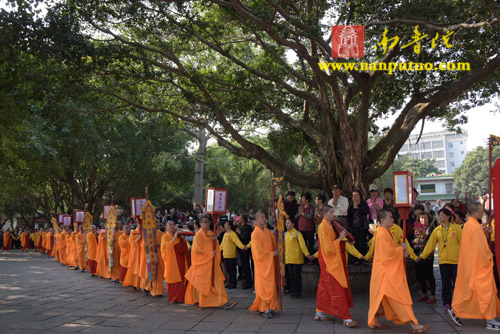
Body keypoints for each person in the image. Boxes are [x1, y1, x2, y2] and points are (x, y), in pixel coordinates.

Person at [368, 209, 430, 333]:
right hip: (386, 273)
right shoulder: (381, 234)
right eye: (390, 217)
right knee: (399, 299)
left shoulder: (384, 232)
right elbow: (388, 253)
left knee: (380, 298)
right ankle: (413, 325)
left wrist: (402, 249)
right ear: (383, 220)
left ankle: (374, 321)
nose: (393, 219)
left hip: (383, 272)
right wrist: (400, 249)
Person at [448, 202, 500, 330]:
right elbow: (480, 249)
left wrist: (483, 231)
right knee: (485, 292)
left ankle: (456, 310)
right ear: (475, 213)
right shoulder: (475, 227)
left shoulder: (469, 225)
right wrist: (489, 256)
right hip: (479, 265)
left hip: (470, 263)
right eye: (481, 211)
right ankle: (490, 320)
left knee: (471, 292)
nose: (483, 213)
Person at [315, 205, 357, 327]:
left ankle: (319, 312)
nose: (333, 214)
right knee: (336, 286)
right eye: (331, 212)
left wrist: (345, 240)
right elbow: (328, 249)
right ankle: (346, 317)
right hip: (328, 260)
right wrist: (339, 239)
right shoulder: (322, 227)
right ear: (324, 214)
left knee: (324, 284)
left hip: (331, 259)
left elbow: (335, 241)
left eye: (333, 212)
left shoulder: (331, 225)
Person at [417, 208, 462, 310]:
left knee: (457, 283)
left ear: (448, 216)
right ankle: (446, 302)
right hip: (443, 260)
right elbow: (430, 245)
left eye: (441, 215)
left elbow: (464, 242)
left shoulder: (456, 228)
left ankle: (459, 302)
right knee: (445, 282)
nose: (440, 217)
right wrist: (422, 256)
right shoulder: (437, 230)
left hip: (455, 260)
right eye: (439, 215)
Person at [185, 216, 231, 308]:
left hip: (212, 263)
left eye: (208, 221)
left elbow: (215, 246)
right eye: (205, 222)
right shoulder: (198, 236)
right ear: (200, 224)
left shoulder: (210, 234)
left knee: (217, 281)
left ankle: (222, 301)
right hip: (203, 263)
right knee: (203, 284)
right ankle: (204, 301)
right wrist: (210, 253)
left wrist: (215, 240)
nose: (207, 223)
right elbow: (196, 251)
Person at [249, 212, 279, 318]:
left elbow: (274, 241)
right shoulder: (255, 234)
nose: (264, 219)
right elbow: (258, 252)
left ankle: (271, 306)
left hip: (269, 265)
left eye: (265, 217)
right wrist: (271, 254)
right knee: (263, 286)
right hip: (262, 265)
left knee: (270, 285)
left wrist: (275, 232)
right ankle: (264, 307)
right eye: (262, 217)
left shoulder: (266, 231)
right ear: (256, 221)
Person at [161, 220, 191, 303]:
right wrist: (175, 237)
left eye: (173, 224)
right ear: (166, 227)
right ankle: (173, 297)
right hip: (171, 261)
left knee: (181, 276)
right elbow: (165, 248)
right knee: (172, 278)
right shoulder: (165, 237)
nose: (172, 226)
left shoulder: (178, 237)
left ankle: (181, 296)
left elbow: (183, 247)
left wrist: (183, 240)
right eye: (170, 225)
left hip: (179, 259)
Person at [284, 218, 313, 298]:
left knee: (297, 276)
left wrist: (307, 255)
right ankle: (293, 292)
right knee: (291, 276)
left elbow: (303, 246)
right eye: (286, 223)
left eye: (289, 223)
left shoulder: (298, 234)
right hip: (288, 259)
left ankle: (298, 292)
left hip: (297, 259)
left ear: (293, 224)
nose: (287, 225)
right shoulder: (285, 234)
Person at [412, 213, 436, 304]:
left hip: (428, 255)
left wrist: (423, 233)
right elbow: (411, 240)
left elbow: (430, 238)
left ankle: (433, 295)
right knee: (420, 275)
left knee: (430, 275)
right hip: (418, 254)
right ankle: (424, 293)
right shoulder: (416, 229)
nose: (423, 220)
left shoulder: (431, 228)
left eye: (425, 218)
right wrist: (414, 241)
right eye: (421, 218)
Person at [220, 220, 247, 289]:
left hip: (231, 255)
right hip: (225, 255)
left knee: (232, 270)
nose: (225, 226)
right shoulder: (225, 234)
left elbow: (237, 241)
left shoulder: (233, 234)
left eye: (226, 224)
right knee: (228, 269)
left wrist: (242, 247)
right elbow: (222, 245)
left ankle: (233, 283)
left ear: (229, 226)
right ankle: (230, 282)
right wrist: (217, 250)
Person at [347, 190, 370, 262]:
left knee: (363, 242)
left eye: (356, 195)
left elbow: (366, 211)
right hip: (354, 226)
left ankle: (364, 258)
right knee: (355, 242)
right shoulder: (351, 205)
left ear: (360, 196)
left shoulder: (363, 203)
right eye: (353, 195)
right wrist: (353, 208)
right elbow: (349, 214)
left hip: (362, 226)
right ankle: (356, 259)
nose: (355, 197)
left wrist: (357, 206)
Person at [295, 192, 315, 257]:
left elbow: (311, 216)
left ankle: (311, 257)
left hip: (309, 228)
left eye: (303, 198)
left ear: (307, 199)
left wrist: (303, 214)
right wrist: (299, 214)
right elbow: (295, 217)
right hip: (301, 228)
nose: (302, 200)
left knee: (310, 244)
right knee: (303, 244)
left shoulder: (311, 207)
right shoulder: (300, 207)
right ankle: (304, 257)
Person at [235, 214, 253, 289]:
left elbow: (245, 237)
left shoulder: (248, 227)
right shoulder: (240, 227)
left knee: (246, 266)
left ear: (243, 219)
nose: (239, 219)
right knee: (243, 266)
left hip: (246, 248)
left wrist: (239, 232)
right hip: (240, 249)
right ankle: (245, 279)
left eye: (240, 218)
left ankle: (249, 281)